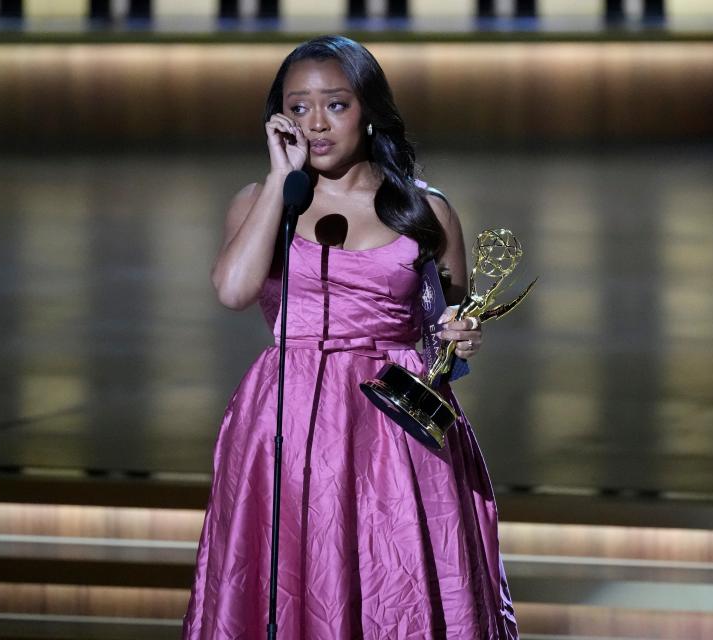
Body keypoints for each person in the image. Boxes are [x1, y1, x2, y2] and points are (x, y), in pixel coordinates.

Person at [182, 35, 518, 639]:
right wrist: (279, 178)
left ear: (368, 111)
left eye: (335, 104)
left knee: (399, 573)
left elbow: (447, 324)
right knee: (291, 570)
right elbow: (233, 291)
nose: (316, 122)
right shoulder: (260, 203)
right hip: (289, 414)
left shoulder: (426, 211)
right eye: (299, 106)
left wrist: (458, 339)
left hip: (397, 420)